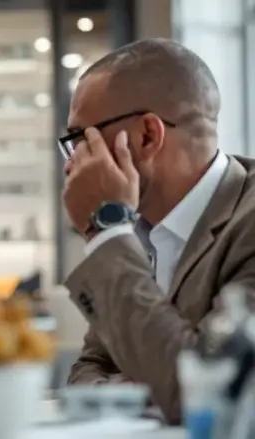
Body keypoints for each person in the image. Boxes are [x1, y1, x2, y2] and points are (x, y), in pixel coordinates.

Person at [60, 37, 255, 425]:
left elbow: (210, 395)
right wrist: (135, 392)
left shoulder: (247, 220)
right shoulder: (135, 227)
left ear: (148, 135)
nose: (71, 166)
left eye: (81, 139)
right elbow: (88, 368)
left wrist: (105, 233)